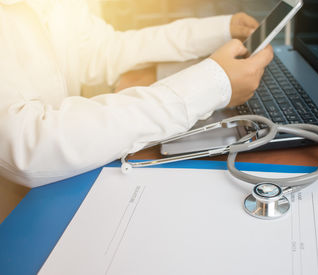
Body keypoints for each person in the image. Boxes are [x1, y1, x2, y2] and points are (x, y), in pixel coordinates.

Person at [0, 0, 273, 197]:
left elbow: (102, 49)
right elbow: (27, 146)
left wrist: (219, 31)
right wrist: (213, 84)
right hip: (22, 206)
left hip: (66, 179)